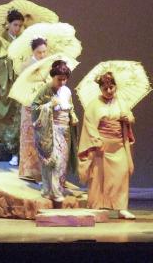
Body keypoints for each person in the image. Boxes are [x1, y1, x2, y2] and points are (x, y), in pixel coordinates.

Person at [78, 72, 136, 219]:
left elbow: (131, 117)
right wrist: (96, 139)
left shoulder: (121, 103)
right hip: (101, 146)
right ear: (100, 88)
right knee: (98, 177)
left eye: (111, 87)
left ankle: (121, 208)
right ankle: (96, 206)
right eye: (105, 88)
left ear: (115, 87)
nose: (109, 91)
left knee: (121, 175)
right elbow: (89, 124)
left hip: (118, 146)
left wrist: (127, 118)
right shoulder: (93, 105)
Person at [31, 60, 78, 203]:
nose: (62, 82)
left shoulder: (67, 91)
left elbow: (70, 107)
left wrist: (73, 115)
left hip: (65, 130)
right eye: (59, 79)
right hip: (51, 129)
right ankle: (51, 190)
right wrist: (49, 105)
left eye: (65, 79)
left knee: (62, 161)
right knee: (52, 161)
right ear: (53, 77)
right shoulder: (45, 90)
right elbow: (34, 107)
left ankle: (57, 188)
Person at [0, 9, 24, 164]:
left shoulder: (23, 41)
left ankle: (15, 148)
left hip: (18, 80)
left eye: (20, 25)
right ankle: (5, 142)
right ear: (8, 24)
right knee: (4, 110)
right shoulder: (0, 40)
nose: (17, 28)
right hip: (5, 81)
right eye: (15, 25)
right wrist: (7, 60)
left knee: (17, 114)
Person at [18, 37, 48, 182]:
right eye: (39, 52)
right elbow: (23, 85)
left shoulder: (48, 65)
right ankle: (28, 171)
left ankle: (42, 173)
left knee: (42, 138)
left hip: (43, 105)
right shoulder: (26, 65)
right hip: (29, 104)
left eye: (44, 52)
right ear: (33, 51)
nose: (42, 55)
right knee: (29, 137)